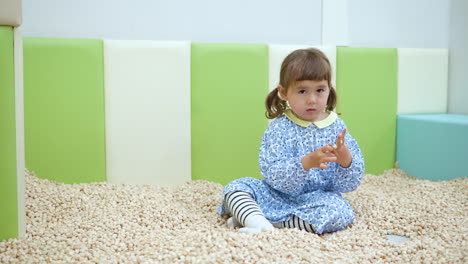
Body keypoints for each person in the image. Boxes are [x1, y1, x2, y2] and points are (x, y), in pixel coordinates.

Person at [217, 48, 365, 234]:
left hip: (317, 199)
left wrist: (346, 161)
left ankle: (260, 221)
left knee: (340, 212)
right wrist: (306, 163)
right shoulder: (279, 128)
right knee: (237, 187)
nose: (312, 100)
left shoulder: (337, 127)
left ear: (329, 89)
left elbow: (349, 184)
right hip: (275, 195)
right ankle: (255, 219)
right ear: (284, 92)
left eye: (320, 90)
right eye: (302, 91)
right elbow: (272, 173)